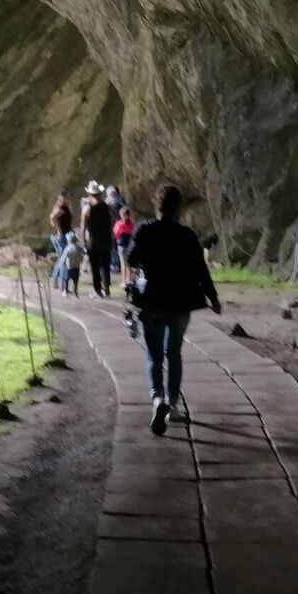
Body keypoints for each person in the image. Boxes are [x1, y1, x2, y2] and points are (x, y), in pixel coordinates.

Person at [125, 182, 221, 435]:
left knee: (154, 355)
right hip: (180, 301)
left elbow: (131, 258)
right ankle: (174, 405)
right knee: (174, 353)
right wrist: (213, 298)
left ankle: (158, 399)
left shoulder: (144, 230)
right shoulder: (187, 236)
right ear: (179, 208)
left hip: (151, 300)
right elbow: (201, 270)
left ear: (156, 204)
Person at [83, 187, 114, 298]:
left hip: (93, 241)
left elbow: (84, 227)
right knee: (105, 265)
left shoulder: (87, 209)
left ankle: (97, 290)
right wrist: (111, 237)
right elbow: (111, 224)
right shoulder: (107, 207)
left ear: (90, 194)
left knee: (95, 267)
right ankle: (107, 288)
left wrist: (84, 242)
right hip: (106, 240)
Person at [112, 202, 137, 287]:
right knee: (128, 264)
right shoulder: (132, 225)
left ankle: (124, 281)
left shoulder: (119, 224)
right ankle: (128, 280)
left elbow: (115, 234)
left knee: (123, 263)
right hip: (130, 245)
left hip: (121, 246)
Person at [61, 230, 85, 297]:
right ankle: (74, 290)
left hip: (70, 267)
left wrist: (62, 264)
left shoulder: (68, 248)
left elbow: (63, 257)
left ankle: (67, 290)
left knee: (68, 279)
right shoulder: (78, 248)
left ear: (69, 241)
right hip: (76, 267)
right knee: (75, 279)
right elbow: (84, 252)